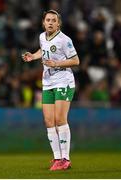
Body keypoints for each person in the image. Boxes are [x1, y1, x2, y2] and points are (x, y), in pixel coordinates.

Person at [22, 10, 80, 171]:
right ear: (43, 22)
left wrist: (56, 64)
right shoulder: (42, 36)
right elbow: (43, 50)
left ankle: (65, 159)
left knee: (60, 119)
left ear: (58, 23)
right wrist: (33, 57)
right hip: (47, 82)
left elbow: (76, 60)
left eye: (54, 20)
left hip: (63, 82)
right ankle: (57, 158)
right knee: (48, 121)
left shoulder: (64, 40)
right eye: (48, 20)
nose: (50, 23)